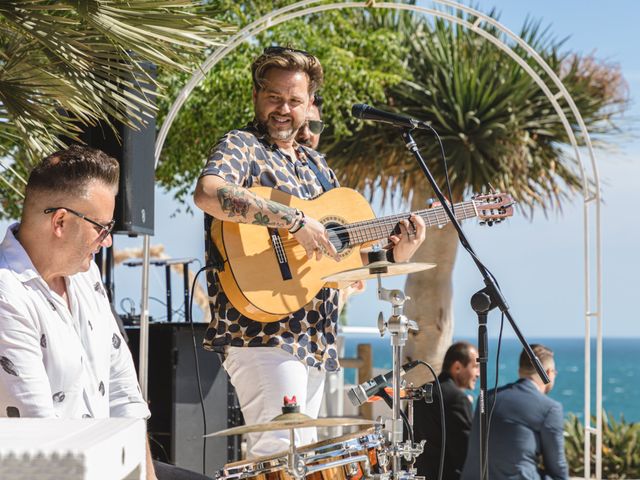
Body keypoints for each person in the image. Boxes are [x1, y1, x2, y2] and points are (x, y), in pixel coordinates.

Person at [193, 46, 426, 458]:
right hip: (263, 334)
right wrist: (294, 221)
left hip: (316, 338)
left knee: (300, 459)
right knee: (280, 454)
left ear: (309, 104)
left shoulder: (319, 168)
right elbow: (209, 192)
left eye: (294, 100)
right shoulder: (243, 146)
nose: (283, 109)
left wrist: (396, 257)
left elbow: (343, 268)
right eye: (273, 97)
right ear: (255, 97)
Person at [0, 145, 207, 480]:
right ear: (61, 222)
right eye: (102, 227)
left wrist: (147, 476)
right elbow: (42, 437)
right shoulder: (7, 295)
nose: (108, 241)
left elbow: (124, 392)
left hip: (109, 465)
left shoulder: (86, 275)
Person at [460, 344, 569, 480]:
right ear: (548, 373)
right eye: (554, 372)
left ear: (520, 371)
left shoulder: (486, 398)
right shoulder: (550, 408)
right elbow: (558, 469)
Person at [412, 341, 479, 480]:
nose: (478, 373)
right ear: (457, 367)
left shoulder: (421, 392)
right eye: (475, 366)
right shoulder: (457, 399)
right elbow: (465, 451)